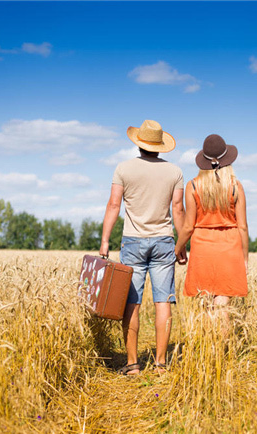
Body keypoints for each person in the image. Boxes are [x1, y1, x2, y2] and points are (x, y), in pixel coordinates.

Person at [99, 119, 185, 375]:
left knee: (132, 303)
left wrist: (105, 241)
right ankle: (160, 365)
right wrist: (181, 245)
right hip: (164, 241)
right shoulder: (175, 172)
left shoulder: (123, 169)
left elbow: (114, 205)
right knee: (163, 302)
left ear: (138, 144)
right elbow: (178, 210)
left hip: (133, 242)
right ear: (160, 146)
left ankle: (133, 363)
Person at [175, 134, 249, 322]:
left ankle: (208, 346)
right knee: (223, 302)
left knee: (206, 303)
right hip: (230, 248)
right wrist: (245, 257)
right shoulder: (235, 186)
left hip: (202, 249)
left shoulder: (192, 186)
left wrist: (178, 248)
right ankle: (221, 351)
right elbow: (243, 227)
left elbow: (188, 226)